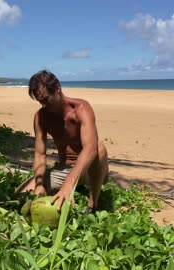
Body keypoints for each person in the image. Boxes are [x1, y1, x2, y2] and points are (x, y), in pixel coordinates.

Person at [15, 70, 109, 213]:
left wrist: (68, 184)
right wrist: (39, 184)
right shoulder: (41, 116)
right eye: (40, 102)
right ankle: (70, 188)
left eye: (46, 100)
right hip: (64, 169)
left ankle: (93, 205)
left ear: (57, 88)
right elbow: (40, 154)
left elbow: (90, 148)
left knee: (100, 148)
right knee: (21, 195)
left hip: (89, 169)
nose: (44, 105)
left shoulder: (81, 109)